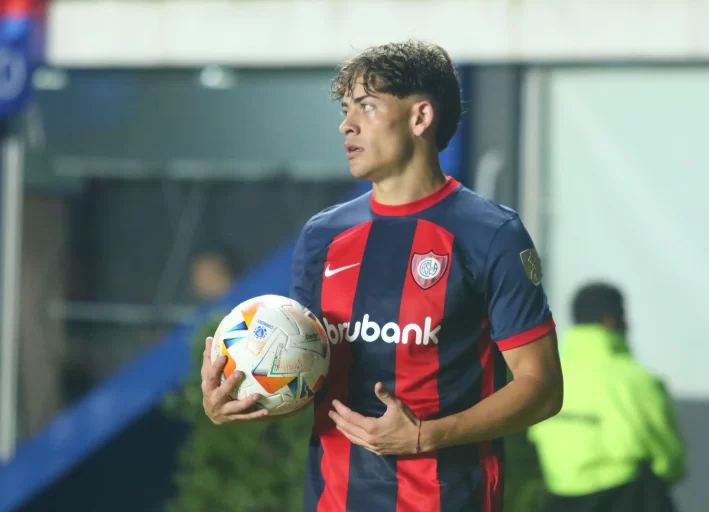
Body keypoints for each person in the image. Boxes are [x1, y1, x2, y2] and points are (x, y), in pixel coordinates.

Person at [200, 40, 564, 511]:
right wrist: (239, 401)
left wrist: (425, 436)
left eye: (367, 107)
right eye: (346, 108)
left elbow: (543, 388)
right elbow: (304, 379)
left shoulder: (491, 234)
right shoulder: (322, 236)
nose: (346, 124)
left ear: (420, 118)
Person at [528, 282, 686, 512]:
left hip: (560, 495)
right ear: (612, 320)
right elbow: (669, 454)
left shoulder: (549, 375)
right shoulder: (636, 380)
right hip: (628, 496)